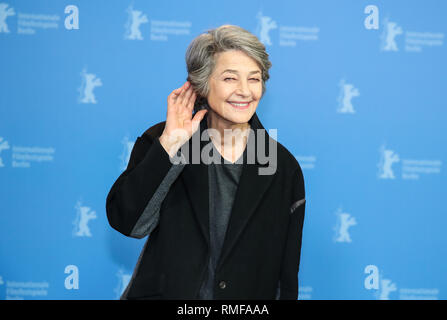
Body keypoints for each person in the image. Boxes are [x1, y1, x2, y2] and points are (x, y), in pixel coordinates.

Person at [106, 25, 306, 300]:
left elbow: (286, 275)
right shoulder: (160, 141)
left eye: (254, 79)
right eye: (229, 78)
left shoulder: (283, 166)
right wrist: (171, 146)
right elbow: (129, 223)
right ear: (202, 83)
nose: (245, 91)